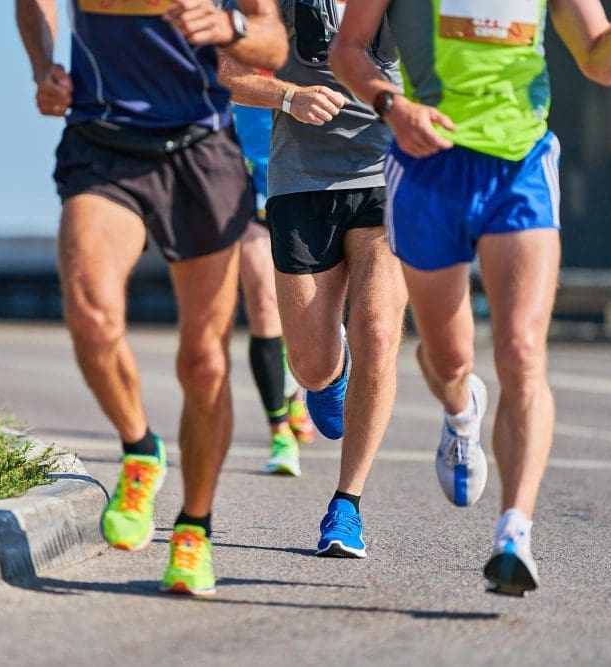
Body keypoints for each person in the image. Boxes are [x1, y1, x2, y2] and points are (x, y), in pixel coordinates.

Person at [331, 0, 611, 595]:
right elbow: (348, 49)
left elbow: (600, 62)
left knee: (520, 351)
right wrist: (393, 105)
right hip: (428, 168)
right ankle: (462, 408)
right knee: (450, 358)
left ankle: (514, 534)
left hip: (520, 166)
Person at [16, 0, 286, 597]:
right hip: (103, 145)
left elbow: (271, 42)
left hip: (201, 150)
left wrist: (232, 28)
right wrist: (43, 67)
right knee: (89, 315)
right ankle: (140, 450)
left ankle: (194, 529)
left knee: (204, 361)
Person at [219, 0, 408, 558]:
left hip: (389, 171)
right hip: (301, 181)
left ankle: (347, 504)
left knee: (378, 328)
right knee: (310, 365)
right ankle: (334, 367)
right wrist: (287, 96)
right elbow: (222, 71)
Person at [232, 102, 316, 477]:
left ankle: (297, 390)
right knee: (265, 306)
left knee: (303, 310)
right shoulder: (230, 51)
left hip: (305, 185)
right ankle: (279, 432)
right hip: (249, 192)